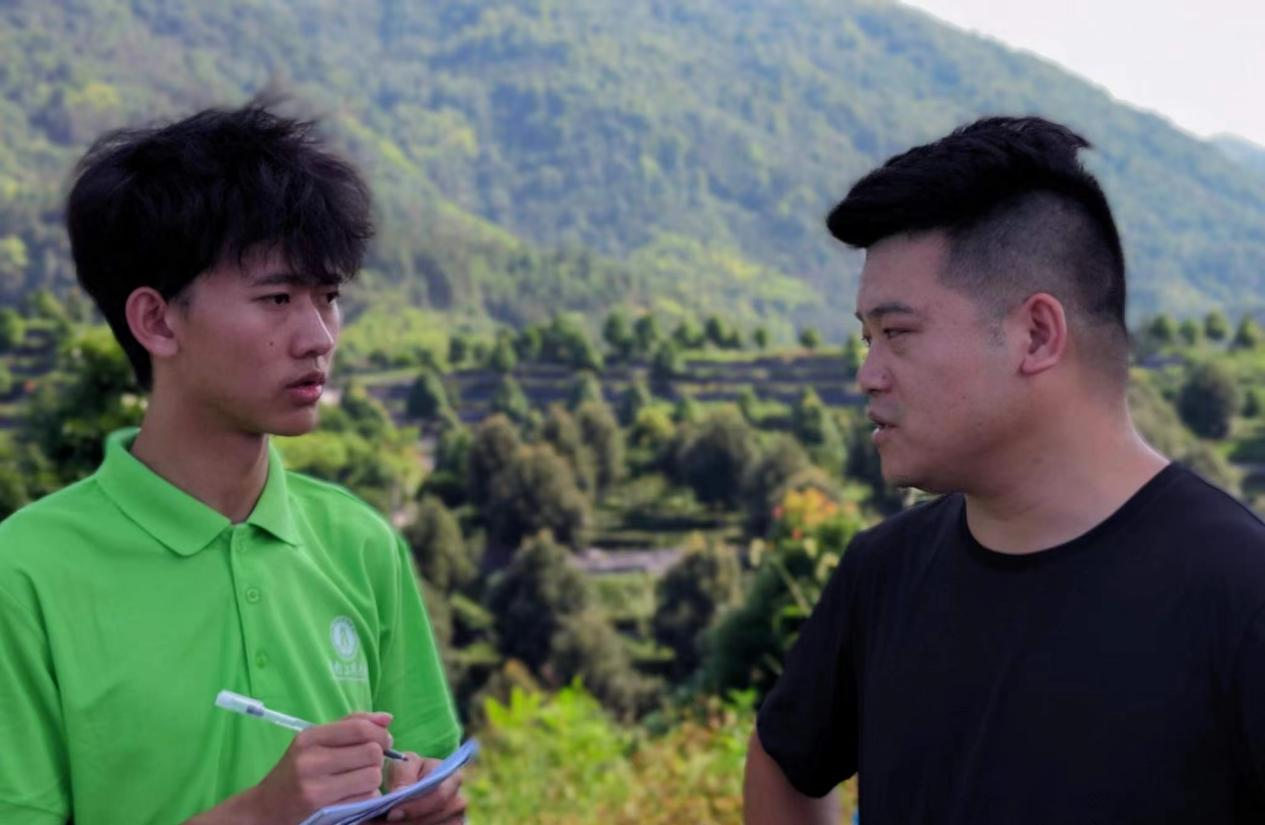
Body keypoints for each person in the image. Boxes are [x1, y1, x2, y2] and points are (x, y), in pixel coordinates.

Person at [744, 116, 1265, 823]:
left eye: (897, 333)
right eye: (867, 338)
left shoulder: (1238, 592)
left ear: (1036, 335)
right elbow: (783, 759)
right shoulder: (884, 572)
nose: (868, 374)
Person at [0, 102, 467, 825]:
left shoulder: (359, 543)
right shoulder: (24, 573)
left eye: (328, 297)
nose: (318, 336)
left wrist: (429, 808)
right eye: (277, 297)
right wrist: (259, 814)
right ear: (157, 320)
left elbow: (418, 770)